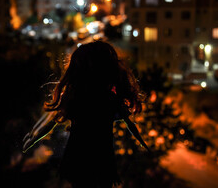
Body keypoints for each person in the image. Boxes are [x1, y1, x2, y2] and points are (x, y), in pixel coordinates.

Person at [23, 41, 150, 188]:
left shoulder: (77, 97)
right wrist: (142, 143)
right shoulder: (108, 98)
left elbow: (53, 123)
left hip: (79, 156)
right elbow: (129, 123)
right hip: (101, 158)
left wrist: (33, 140)